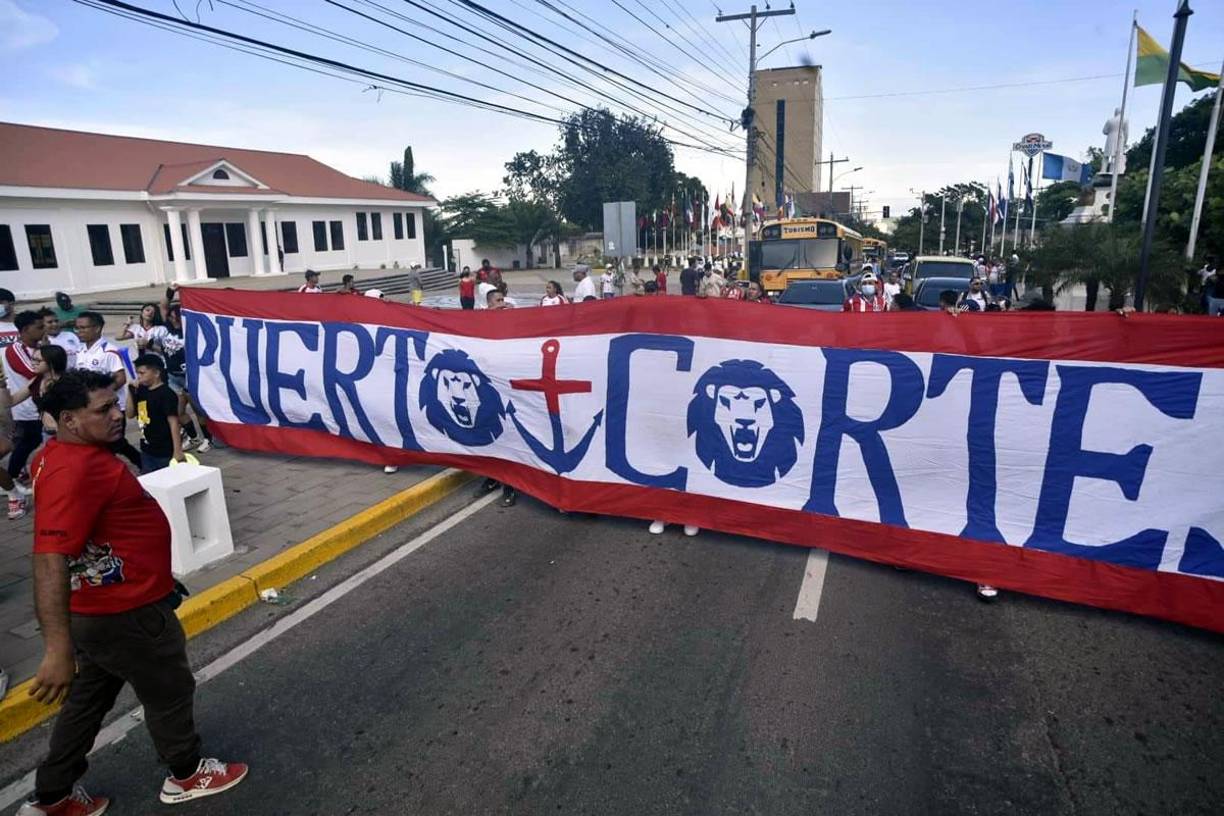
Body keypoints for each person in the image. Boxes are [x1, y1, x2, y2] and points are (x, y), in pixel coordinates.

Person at [21, 371, 248, 816]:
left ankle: (52, 797)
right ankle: (185, 772)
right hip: (127, 612)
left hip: (103, 610)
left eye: (115, 404)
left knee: (88, 702)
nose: (117, 415)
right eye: (102, 410)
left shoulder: (55, 455)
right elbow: (48, 557)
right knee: (170, 689)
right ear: (68, 419)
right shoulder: (77, 470)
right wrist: (55, 647)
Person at [147, 299, 213, 454]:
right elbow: (164, 351)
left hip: (189, 377)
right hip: (173, 376)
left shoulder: (190, 334)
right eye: (171, 316)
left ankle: (208, 438)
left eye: (176, 316)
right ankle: (193, 436)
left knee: (198, 411)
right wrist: (171, 291)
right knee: (177, 410)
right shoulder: (167, 331)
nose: (173, 319)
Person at [6, 311, 48, 487]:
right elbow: (34, 373)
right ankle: (11, 478)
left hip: (42, 404)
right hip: (28, 406)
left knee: (32, 441)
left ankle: (13, 477)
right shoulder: (16, 350)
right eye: (39, 327)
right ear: (25, 330)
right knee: (29, 441)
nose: (44, 330)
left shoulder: (39, 347)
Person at [127, 354, 184, 474]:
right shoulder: (141, 390)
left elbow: (174, 423)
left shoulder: (166, 394)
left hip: (164, 450)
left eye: (142, 373)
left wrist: (177, 450)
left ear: (156, 373)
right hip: (147, 448)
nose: (139, 377)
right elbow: (130, 414)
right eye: (138, 373)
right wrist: (130, 391)